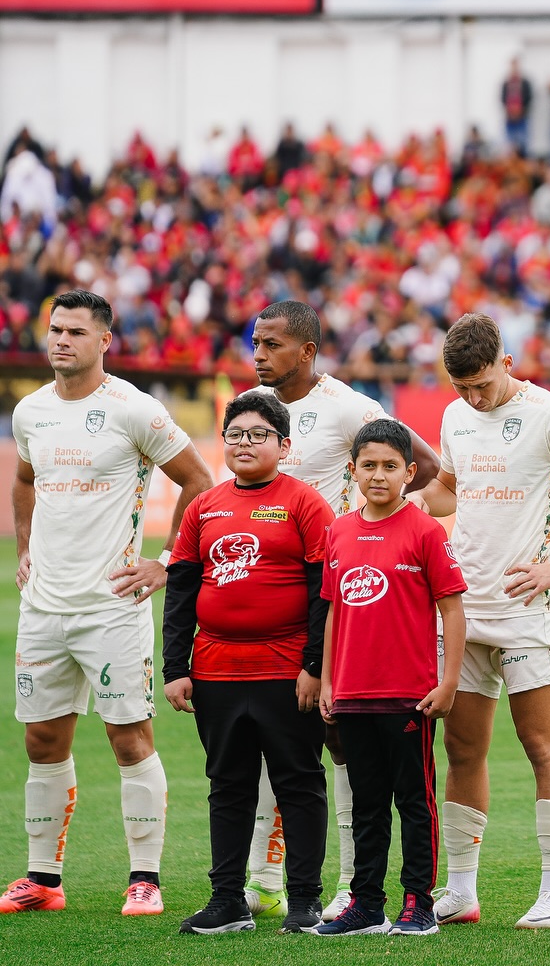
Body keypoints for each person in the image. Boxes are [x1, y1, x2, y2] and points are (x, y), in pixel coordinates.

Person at [414, 313, 550, 929]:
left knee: (543, 745)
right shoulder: (456, 417)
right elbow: (453, 490)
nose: (474, 398)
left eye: (482, 384)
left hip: (528, 610)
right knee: (462, 749)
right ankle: (461, 891)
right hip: (463, 607)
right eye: (462, 388)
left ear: (506, 361)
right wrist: (409, 503)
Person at [4, 289, 213, 916]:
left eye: (75, 332)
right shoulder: (30, 412)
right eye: (55, 329)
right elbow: (22, 480)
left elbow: (200, 480)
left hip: (111, 606)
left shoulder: (134, 410)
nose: (61, 340)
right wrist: (23, 548)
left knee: (129, 738)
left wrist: (168, 559)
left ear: (104, 342)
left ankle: (144, 877)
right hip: (43, 606)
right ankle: (43, 878)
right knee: (42, 739)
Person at [246, 300, 441, 922]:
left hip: (335, 589)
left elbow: (429, 466)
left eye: (271, 344)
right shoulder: (258, 409)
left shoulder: (349, 408)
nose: (258, 354)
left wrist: (386, 532)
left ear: (306, 350)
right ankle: (265, 879)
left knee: (342, 745)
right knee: (270, 736)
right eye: (255, 342)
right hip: (270, 590)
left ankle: (355, 886)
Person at [161, 392, 333, 935]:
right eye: (235, 433)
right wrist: (174, 668)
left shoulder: (304, 503)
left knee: (299, 784)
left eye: (258, 434)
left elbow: (323, 592)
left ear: (284, 445)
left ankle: (304, 900)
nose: (244, 443)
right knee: (227, 787)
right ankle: (227, 901)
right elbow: (182, 591)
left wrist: (314, 665)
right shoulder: (203, 507)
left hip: (287, 673)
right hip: (215, 673)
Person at [314, 419, 466, 936]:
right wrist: (331, 681)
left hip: (410, 696)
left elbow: (452, 611)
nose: (378, 475)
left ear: (411, 472)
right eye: (369, 466)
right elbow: (334, 611)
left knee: (414, 803)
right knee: (366, 805)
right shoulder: (339, 529)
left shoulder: (425, 531)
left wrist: (447, 682)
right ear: (353, 469)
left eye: (390, 466)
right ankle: (366, 903)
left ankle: (418, 902)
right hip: (353, 694)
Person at [500, 58, 533, 158]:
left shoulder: (525, 82)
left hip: (522, 117)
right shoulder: (506, 83)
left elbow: (529, 98)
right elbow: (503, 98)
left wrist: (520, 111)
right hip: (510, 118)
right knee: (509, 143)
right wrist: (510, 111)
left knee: (523, 142)